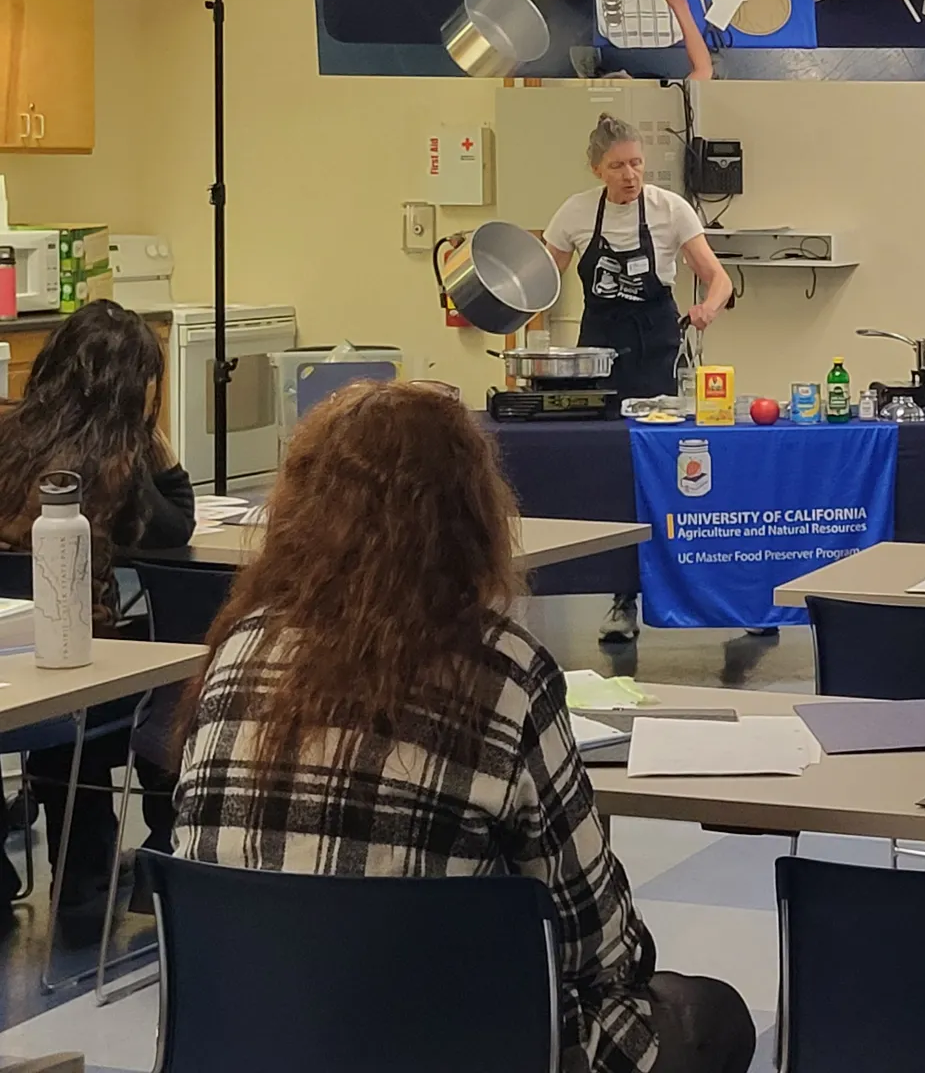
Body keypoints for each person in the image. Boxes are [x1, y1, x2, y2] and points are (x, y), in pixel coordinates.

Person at [173, 382, 756, 1073]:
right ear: (470, 515)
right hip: (456, 1040)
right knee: (713, 1016)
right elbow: (599, 944)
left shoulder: (240, 649)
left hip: (252, 1034)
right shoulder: (501, 672)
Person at [0, 300, 193, 924]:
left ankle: (55, 875)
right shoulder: (116, 464)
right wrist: (149, 441)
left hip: (8, 672)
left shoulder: (6, 437)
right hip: (80, 684)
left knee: (66, 679)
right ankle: (153, 852)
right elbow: (175, 527)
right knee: (177, 667)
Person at [545, 112, 733, 640]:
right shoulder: (575, 213)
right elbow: (541, 280)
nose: (629, 174)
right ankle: (620, 598)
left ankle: (706, 594)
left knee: (665, 469)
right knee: (610, 472)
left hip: (655, 353)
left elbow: (715, 277)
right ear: (595, 169)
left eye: (636, 163)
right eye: (617, 166)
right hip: (598, 359)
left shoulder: (672, 210)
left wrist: (709, 309)